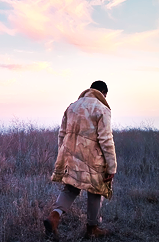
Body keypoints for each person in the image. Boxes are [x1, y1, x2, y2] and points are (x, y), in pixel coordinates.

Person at [44, 81, 117, 240]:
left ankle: (54, 217)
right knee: (95, 191)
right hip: (94, 160)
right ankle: (92, 228)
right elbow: (106, 140)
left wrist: (62, 157)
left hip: (71, 157)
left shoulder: (72, 107)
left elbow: (61, 134)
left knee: (70, 189)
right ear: (103, 93)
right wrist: (111, 167)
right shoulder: (102, 109)